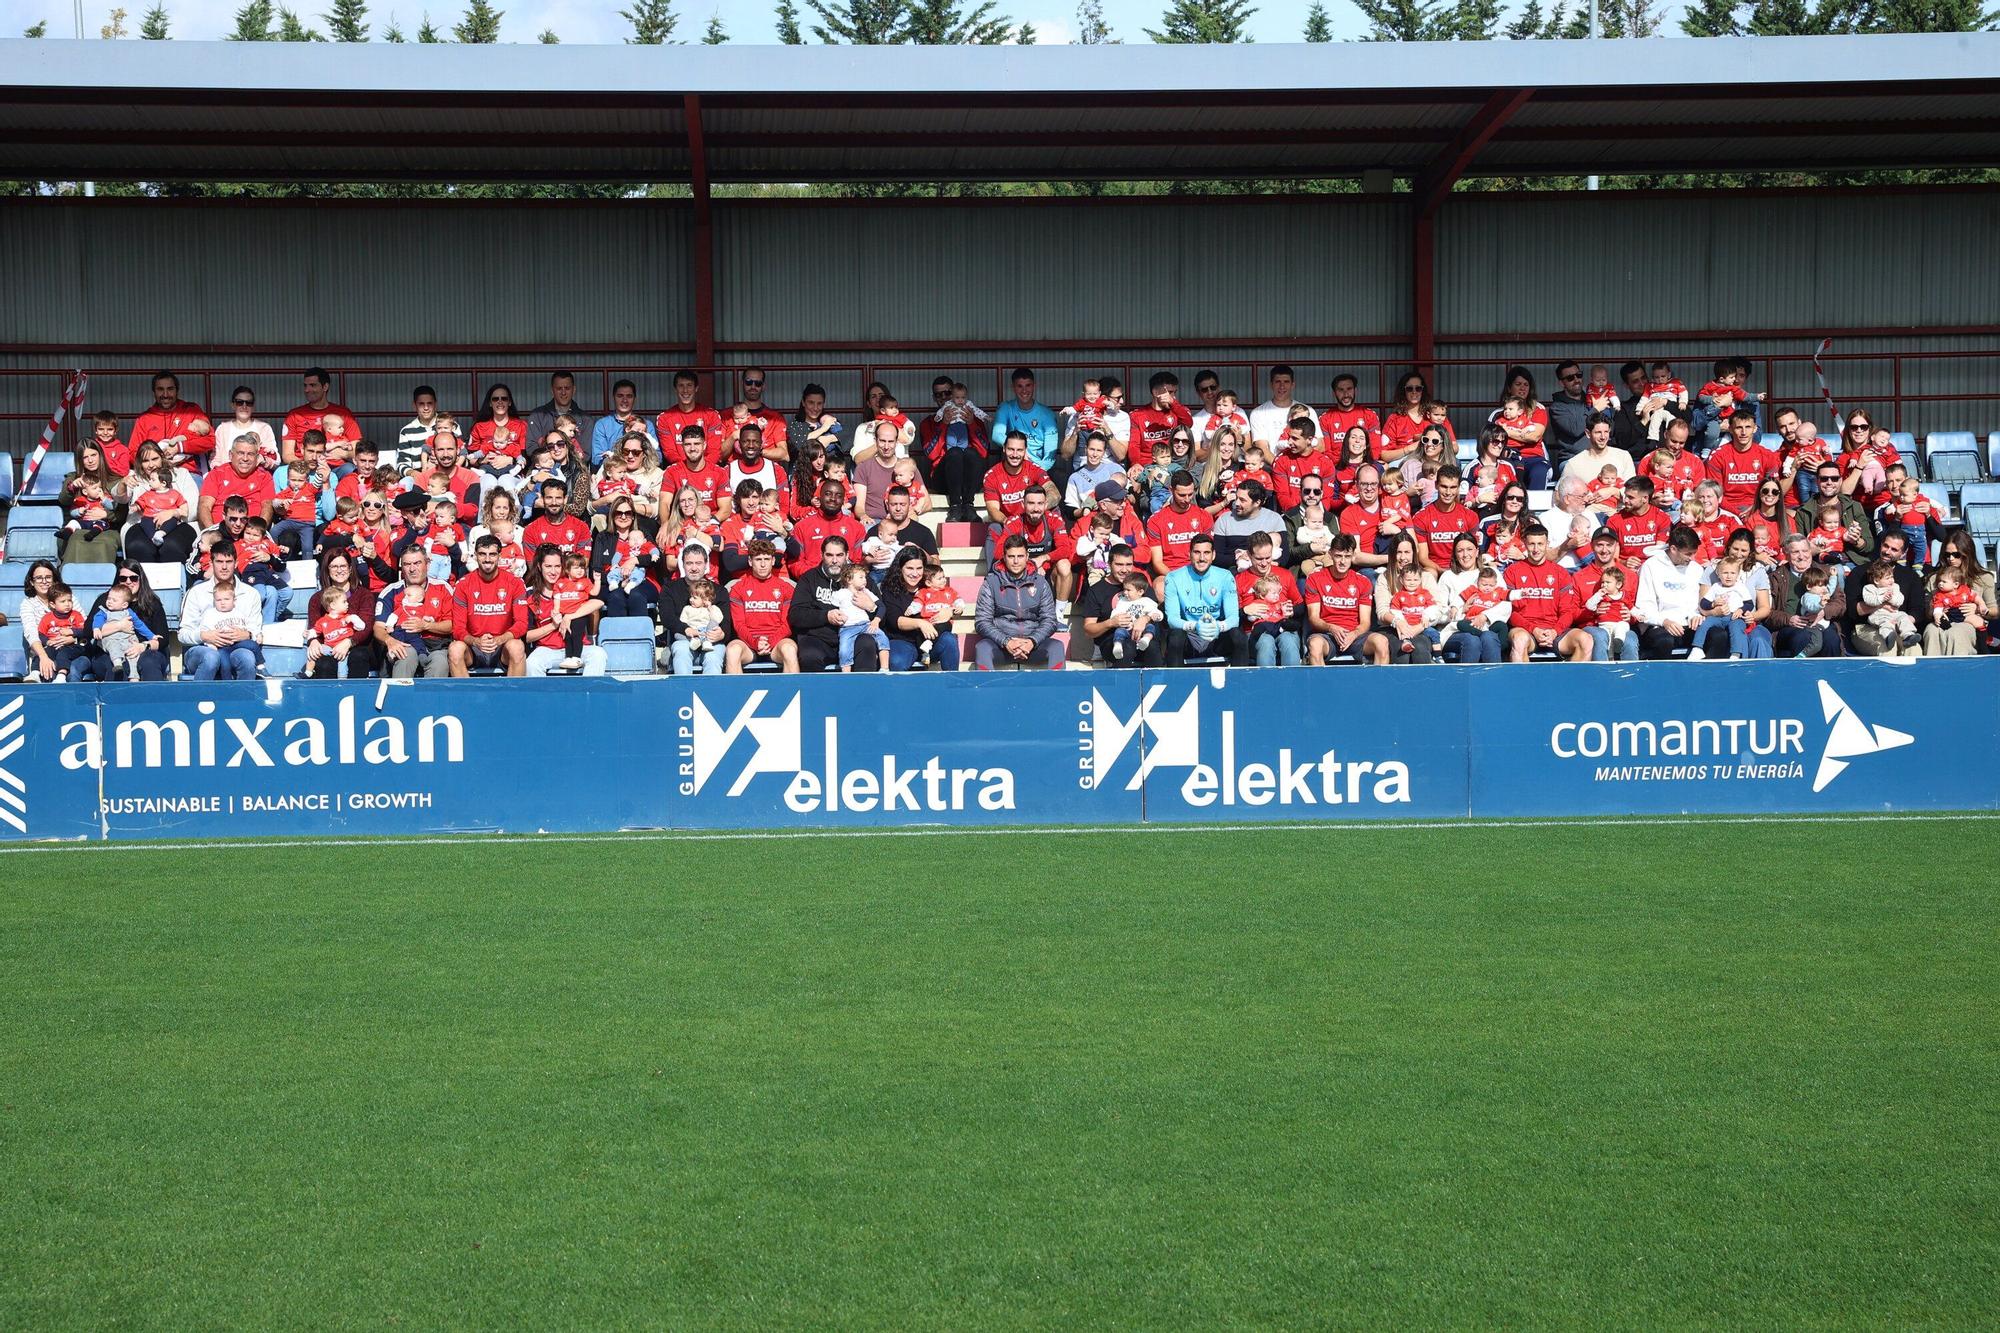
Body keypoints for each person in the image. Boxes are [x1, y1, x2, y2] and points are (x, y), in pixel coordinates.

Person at [1633, 525, 1725, 659]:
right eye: (1688, 554)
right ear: (1673, 549)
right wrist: (1664, 621)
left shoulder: (1696, 568)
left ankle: (1707, 672)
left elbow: (1699, 602)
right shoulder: (1651, 566)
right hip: (1660, 625)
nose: (1692, 558)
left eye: (1694, 553)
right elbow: (1644, 606)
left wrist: (1696, 615)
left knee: (1718, 636)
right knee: (1664, 641)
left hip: (1689, 625)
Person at [973, 533, 1061, 670]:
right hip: (1001, 646)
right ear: (1004, 557)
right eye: (1011, 556)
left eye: (1020, 556)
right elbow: (982, 621)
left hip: (1032, 645)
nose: (1015, 561)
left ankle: (1056, 685)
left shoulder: (1041, 583)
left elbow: (1050, 620)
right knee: (982, 648)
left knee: (1057, 647)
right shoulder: (991, 583)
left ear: (1027, 557)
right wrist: (1006, 641)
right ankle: (987, 685)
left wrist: (1032, 641)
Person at [1504, 524, 1589, 662]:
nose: (1536, 549)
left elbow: (1568, 611)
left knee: (1585, 640)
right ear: (1525, 543)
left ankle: (1571, 677)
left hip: (1555, 631)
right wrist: (1534, 629)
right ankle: (1522, 677)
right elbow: (1510, 611)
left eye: (1540, 544)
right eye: (1531, 544)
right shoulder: (1512, 571)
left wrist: (1555, 631)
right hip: (1526, 630)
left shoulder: (1560, 572)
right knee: (1519, 639)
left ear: (1547, 544)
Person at [448, 535, 529, 677]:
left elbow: (521, 624)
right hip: (473, 648)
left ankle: (514, 692)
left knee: (517, 646)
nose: (487, 559)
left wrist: (499, 639)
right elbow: (458, 629)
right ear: (475, 556)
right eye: (482, 554)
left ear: (499, 556)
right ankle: (464, 692)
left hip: (503, 647)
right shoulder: (463, 584)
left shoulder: (515, 583)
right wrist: (476, 641)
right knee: (455, 648)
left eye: (492, 554)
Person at [180, 547, 265, 680]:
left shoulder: (251, 593)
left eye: (229, 562)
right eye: (219, 562)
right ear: (211, 563)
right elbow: (183, 634)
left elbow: (256, 630)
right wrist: (204, 636)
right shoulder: (196, 592)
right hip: (201, 649)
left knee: (247, 658)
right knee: (211, 657)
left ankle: (245, 693)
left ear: (236, 563)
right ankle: (201, 693)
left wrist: (247, 634)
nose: (224, 567)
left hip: (237, 646)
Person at [523, 545, 608, 676]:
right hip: (548, 649)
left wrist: (568, 617)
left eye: (557, 566)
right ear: (539, 567)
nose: (553, 571)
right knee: (532, 663)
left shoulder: (577, 584)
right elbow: (527, 637)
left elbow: (598, 602)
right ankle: (541, 691)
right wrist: (554, 625)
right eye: (548, 566)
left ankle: (589, 690)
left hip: (578, 648)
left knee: (598, 654)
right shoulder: (530, 594)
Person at [1159, 534, 1244, 666]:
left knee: (1238, 635)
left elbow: (1234, 618)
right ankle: (1176, 678)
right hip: (1189, 636)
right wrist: (1194, 626)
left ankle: (1242, 678)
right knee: (1176, 636)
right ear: (1189, 554)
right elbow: (1172, 619)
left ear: (1213, 555)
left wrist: (1218, 627)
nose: (1202, 558)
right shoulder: (1173, 577)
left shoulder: (1225, 576)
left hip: (1216, 636)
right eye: (1197, 552)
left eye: (1206, 553)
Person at [374, 546, 454, 679]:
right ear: (402, 568)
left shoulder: (442, 588)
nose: (412, 569)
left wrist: (426, 626)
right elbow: (378, 627)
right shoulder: (391, 591)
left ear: (427, 564)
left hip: (435, 645)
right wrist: (389, 640)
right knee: (405, 655)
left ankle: (431, 694)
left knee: (440, 662)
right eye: (407, 564)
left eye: (417, 563)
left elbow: (452, 625)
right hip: (403, 642)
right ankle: (400, 693)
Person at [81, 562, 169, 682]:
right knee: (117, 666)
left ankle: (151, 694)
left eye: (133, 578)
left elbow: (163, 639)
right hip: (109, 650)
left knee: (149, 662)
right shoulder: (107, 601)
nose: (128, 582)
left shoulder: (152, 603)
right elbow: (88, 631)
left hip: (144, 650)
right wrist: (119, 626)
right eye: (123, 578)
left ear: (141, 579)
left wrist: (143, 646)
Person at [1304, 535, 1383, 665]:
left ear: (1353, 556)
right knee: (1315, 644)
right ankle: (1319, 679)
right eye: (1338, 556)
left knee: (1381, 642)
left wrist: (1354, 634)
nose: (1343, 561)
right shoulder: (1315, 579)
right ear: (1330, 554)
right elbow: (1314, 618)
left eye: (1347, 556)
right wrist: (1331, 628)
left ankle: (1380, 679)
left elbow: (1365, 622)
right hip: (1327, 635)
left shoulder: (1363, 582)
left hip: (1355, 635)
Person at [121, 440, 202, 563]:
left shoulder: (181, 474)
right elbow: (120, 498)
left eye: (155, 459)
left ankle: (174, 576)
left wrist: (172, 513)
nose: (151, 465)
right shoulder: (135, 478)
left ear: (162, 457)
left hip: (178, 524)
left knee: (171, 546)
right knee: (139, 547)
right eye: (145, 461)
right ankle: (142, 575)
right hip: (143, 524)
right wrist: (123, 484)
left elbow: (193, 507)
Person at [726, 540, 798, 673]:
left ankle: (792, 687)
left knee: (789, 649)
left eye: (767, 559)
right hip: (748, 644)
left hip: (777, 643)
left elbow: (788, 624)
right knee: (732, 650)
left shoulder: (786, 588)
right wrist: (755, 642)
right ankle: (736, 688)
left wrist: (770, 642)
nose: (763, 564)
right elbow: (739, 624)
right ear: (750, 561)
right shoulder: (738, 588)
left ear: (773, 561)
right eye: (758, 559)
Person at [1769, 535, 1846, 658]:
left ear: (1810, 551)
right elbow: (1768, 613)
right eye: (1795, 552)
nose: (1801, 556)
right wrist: (1789, 619)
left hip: (1821, 623)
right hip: (1790, 627)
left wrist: (1823, 612)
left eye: (1805, 551)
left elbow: (1840, 603)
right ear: (1786, 554)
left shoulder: (1825, 572)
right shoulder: (1776, 577)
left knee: (1831, 640)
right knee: (1803, 637)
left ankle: (1832, 671)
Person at [307, 548, 380, 678]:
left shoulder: (364, 595)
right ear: (327, 570)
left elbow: (366, 627)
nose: (339, 570)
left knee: (358, 656)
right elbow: (314, 627)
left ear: (350, 569)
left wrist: (348, 642)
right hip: (329, 647)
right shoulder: (317, 599)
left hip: (358, 645)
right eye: (334, 566)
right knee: (324, 663)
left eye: (343, 566)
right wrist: (313, 641)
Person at [1789, 463, 1876, 566]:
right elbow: (1798, 547)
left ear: (1840, 481)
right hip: (1818, 564)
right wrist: (1812, 550)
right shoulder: (1804, 511)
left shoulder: (1854, 506)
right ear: (1817, 481)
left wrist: (1856, 541)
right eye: (1824, 479)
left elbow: (1869, 546)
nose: (1829, 482)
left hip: (1851, 562)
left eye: (1834, 479)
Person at [129, 372, 214, 470]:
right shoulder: (144, 418)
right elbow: (133, 453)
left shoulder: (191, 410)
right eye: (160, 389)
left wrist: (179, 447)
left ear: (177, 391)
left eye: (170, 389)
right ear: (154, 392)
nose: (165, 394)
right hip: (154, 472)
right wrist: (154, 460)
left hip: (188, 471)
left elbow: (210, 441)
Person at [1441, 549, 1511, 665]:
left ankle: (1493, 675)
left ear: (1477, 551)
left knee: (1489, 637)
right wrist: (1460, 610)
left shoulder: (1491, 573)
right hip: (1459, 627)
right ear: (1455, 554)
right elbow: (1441, 610)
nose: (1465, 554)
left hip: (1487, 625)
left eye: (1469, 549)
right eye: (1460, 550)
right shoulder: (1448, 576)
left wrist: (1485, 616)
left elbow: (1505, 603)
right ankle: (1468, 676)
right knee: (1472, 640)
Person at [198, 434, 276, 528]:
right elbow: (204, 506)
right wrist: (212, 532)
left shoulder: (264, 477)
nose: (245, 458)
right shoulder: (216, 474)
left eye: (250, 454)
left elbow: (267, 507)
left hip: (251, 532)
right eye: (240, 453)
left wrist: (258, 531)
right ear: (231, 455)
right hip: (219, 530)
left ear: (257, 457)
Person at [1492, 366, 1551, 489]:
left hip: (1533, 457)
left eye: (1526, 384)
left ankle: (1534, 503)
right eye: (1518, 384)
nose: (1523, 388)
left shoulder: (1538, 409)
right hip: (1507, 457)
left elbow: (1534, 436)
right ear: (1509, 388)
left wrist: (1506, 431)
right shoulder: (1498, 415)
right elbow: (1490, 439)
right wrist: (1522, 435)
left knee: (1539, 472)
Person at [281, 367, 359, 461]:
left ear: (325, 386)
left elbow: (357, 449)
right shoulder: (294, 415)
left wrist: (344, 454)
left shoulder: (344, 414)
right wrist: (306, 467)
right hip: (305, 466)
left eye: (312, 385)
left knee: (350, 468)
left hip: (338, 467)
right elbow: (287, 455)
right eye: (305, 385)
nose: (307, 390)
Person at [1689, 557, 1758, 660]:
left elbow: (1749, 604)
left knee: (1736, 628)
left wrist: (1741, 610)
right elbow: (1703, 603)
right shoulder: (1716, 587)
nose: (1729, 576)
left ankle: (1736, 653)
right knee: (1704, 624)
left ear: (1738, 575)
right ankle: (1697, 648)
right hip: (1718, 617)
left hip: (1734, 617)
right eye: (1725, 573)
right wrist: (1713, 604)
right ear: (1718, 574)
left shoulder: (1740, 587)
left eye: (1732, 573)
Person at [1545, 360, 1599, 479]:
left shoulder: (1592, 399)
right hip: (1572, 459)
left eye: (1579, 375)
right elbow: (1575, 429)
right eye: (1570, 378)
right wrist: (1595, 409)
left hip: (1599, 456)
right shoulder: (1557, 407)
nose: (1576, 380)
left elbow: (1610, 427)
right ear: (1561, 383)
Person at [1857, 557, 1922, 654]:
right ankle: (1888, 636)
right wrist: (1882, 599)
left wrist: (1891, 599)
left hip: (1894, 614)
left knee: (1904, 617)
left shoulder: (1895, 587)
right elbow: (1869, 600)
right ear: (1876, 580)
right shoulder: (1869, 588)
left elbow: (1900, 600)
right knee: (1885, 623)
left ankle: (1908, 635)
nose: (1891, 580)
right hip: (1878, 615)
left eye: (1892, 577)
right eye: (1887, 578)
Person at [304, 587, 368, 679]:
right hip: (329, 647)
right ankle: (308, 672)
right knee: (314, 651)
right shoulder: (323, 621)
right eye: (344, 602)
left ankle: (342, 680)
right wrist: (308, 634)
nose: (347, 604)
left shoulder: (348, 617)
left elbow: (362, 627)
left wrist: (353, 618)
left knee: (342, 665)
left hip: (344, 648)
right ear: (333, 605)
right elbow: (315, 631)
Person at [36, 584, 95, 682]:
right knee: (43, 654)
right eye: (63, 601)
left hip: (73, 647)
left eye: (69, 600)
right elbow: (41, 634)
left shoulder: (76, 615)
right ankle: (35, 674)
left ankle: (62, 674)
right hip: (55, 646)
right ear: (52, 604)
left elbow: (84, 631)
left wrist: (72, 632)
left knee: (63, 653)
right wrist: (47, 642)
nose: (67, 604)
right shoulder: (47, 618)